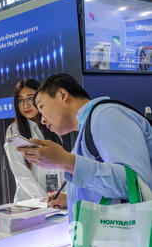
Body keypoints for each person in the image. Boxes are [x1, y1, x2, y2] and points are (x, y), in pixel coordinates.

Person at [17, 73, 152, 222]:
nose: (42, 119)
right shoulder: (87, 128)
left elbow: (137, 185)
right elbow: (107, 184)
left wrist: (67, 161)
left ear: (62, 94)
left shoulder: (106, 115)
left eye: (42, 107)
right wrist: (73, 198)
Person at [4, 79, 65, 203]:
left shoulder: (52, 127)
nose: (25, 105)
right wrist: (44, 200)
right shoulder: (14, 131)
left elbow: (62, 164)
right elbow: (21, 172)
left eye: (30, 98)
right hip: (30, 203)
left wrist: (63, 195)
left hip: (57, 200)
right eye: (20, 100)